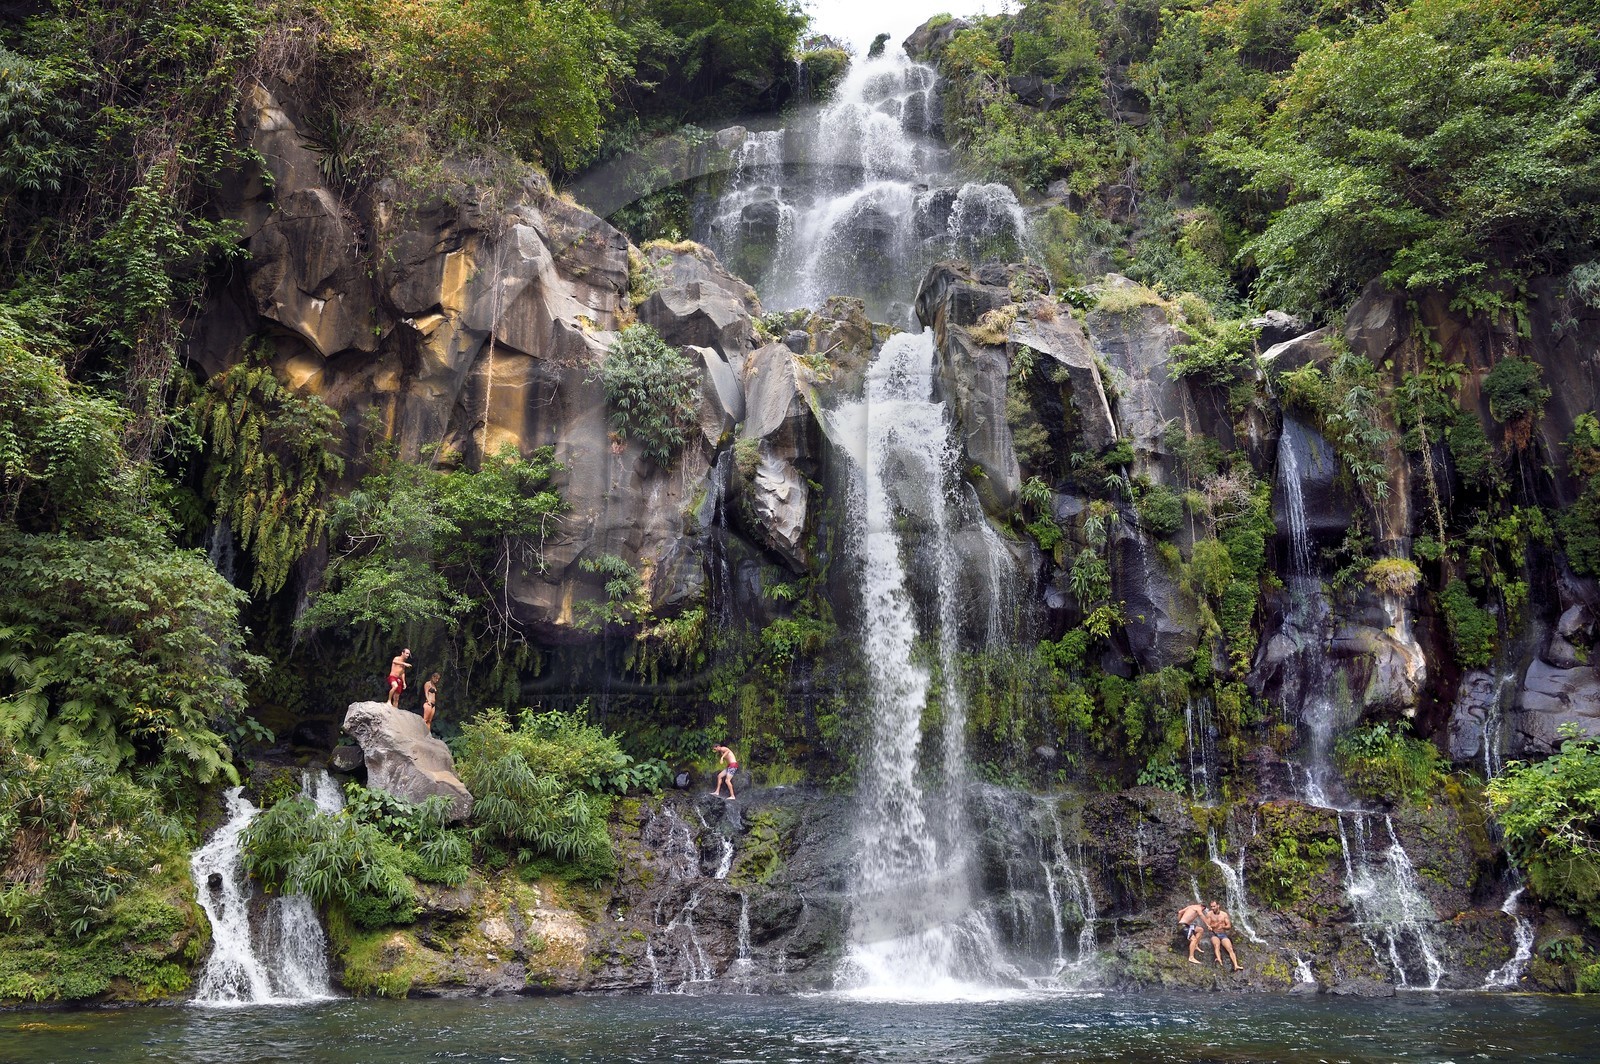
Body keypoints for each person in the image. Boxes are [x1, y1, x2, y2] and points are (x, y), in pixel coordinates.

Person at [1205, 900, 1244, 971]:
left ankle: (1236, 965)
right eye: (1211, 907)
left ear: (1218, 906)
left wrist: (1223, 927)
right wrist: (1215, 925)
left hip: (1222, 934)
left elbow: (1229, 926)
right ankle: (1219, 959)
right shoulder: (1209, 914)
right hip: (1214, 934)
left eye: (1214, 906)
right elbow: (1208, 926)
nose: (1213, 908)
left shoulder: (1224, 915)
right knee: (1217, 945)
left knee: (1230, 948)